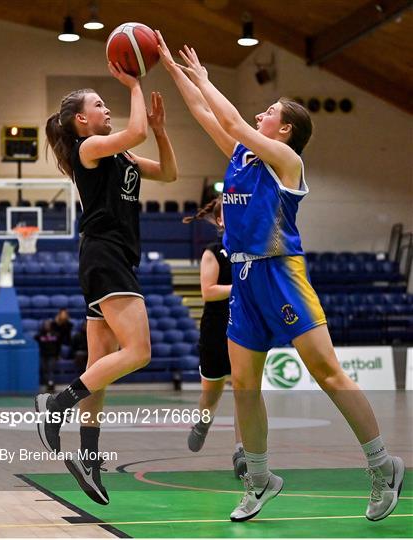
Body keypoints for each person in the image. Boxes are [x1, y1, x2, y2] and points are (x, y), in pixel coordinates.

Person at [156, 32, 404, 523]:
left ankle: (382, 465)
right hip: (246, 281)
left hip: (282, 275)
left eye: (269, 111)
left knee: (328, 373)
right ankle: (261, 479)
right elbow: (209, 118)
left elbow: (224, 115)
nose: (259, 115)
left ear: (284, 129)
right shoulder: (241, 157)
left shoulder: (287, 163)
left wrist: (204, 76)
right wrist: (169, 65)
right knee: (244, 386)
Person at [37, 60, 178, 505]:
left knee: (101, 366)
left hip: (113, 259)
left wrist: (159, 129)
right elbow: (131, 131)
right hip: (106, 255)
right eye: (99, 104)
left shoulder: (121, 155)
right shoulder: (90, 149)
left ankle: (91, 461)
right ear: (82, 121)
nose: (106, 108)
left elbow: (170, 174)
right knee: (139, 352)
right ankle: (56, 404)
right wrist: (135, 84)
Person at [183, 196, 246, 478]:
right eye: (227, 213)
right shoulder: (213, 252)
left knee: (245, 392)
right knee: (212, 393)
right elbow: (208, 291)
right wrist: (242, 288)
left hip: (245, 327)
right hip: (215, 329)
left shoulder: (252, 249)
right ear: (219, 220)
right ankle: (203, 422)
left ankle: (242, 452)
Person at [35, 319, 61, 393]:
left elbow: (58, 346)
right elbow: (34, 339)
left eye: (48, 325)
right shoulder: (40, 335)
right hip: (43, 355)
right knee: (44, 370)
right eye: (46, 325)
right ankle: (48, 384)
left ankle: (51, 385)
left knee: (50, 370)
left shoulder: (55, 334)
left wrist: (58, 354)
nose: (47, 326)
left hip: (52, 355)